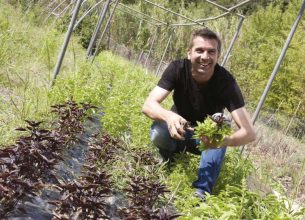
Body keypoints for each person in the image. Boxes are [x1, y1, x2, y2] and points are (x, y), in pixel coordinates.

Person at [141, 28, 256, 198]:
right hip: (178, 131)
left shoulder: (227, 83)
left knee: (222, 123)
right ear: (189, 53)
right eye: (199, 50)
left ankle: (201, 191)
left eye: (211, 51)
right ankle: (168, 159)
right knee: (158, 132)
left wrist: (224, 141)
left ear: (218, 56)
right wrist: (169, 115)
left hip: (205, 141)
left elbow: (249, 133)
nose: (205, 57)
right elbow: (148, 105)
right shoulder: (177, 68)